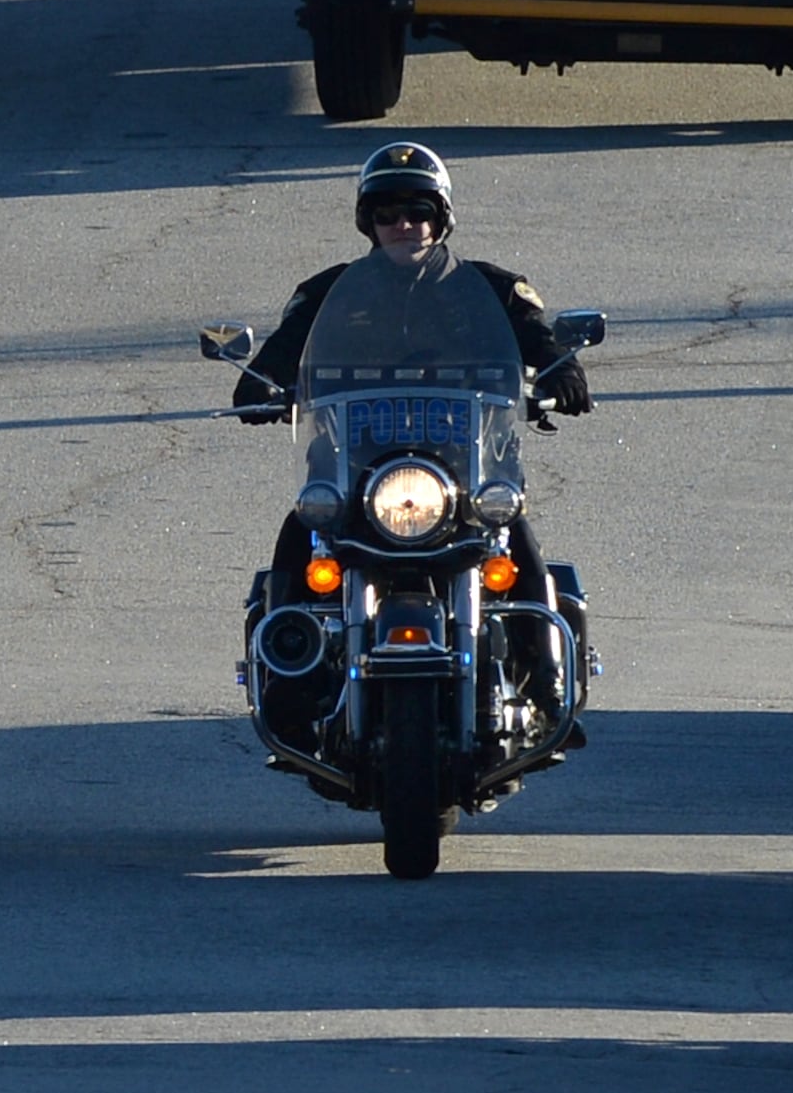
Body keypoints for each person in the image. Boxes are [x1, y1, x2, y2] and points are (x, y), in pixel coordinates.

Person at [232, 145, 592, 737]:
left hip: (464, 471)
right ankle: (288, 685)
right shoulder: (327, 293)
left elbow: (539, 340)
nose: (404, 225)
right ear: (368, 222)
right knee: (303, 530)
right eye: (388, 213)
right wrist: (259, 383)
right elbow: (281, 352)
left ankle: (548, 684)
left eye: (418, 211)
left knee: (513, 535)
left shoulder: (493, 290)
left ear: (440, 218)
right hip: (355, 472)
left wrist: (563, 373)